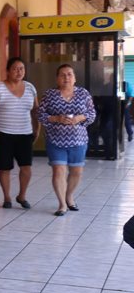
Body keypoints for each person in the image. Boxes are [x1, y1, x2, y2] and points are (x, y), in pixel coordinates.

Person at [37, 64, 96, 215]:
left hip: (79, 140)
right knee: (58, 170)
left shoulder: (83, 94)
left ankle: (69, 196)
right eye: (62, 75)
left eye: (69, 74)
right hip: (55, 140)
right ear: (57, 79)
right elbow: (40, 115)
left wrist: (79, 118)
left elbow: (92, 114)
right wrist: (56, 118)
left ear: (75, 78)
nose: (66, 78)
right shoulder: (49, 95)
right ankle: (62, 204)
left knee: (77, 171)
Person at [0, 57, 39, 209]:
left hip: (25, 133)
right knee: (5, 167)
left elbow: (35, 111)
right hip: (3, 133)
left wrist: (37, 128)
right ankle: (7, 198)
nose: (19, 72)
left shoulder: (30, 88)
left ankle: (22, 196)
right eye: (15, 68)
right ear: (7, 71)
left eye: (21, 68)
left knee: (26, 167)